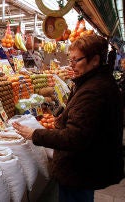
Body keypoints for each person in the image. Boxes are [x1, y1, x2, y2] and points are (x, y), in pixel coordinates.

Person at [12, 34, 124, 202]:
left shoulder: (94, 91)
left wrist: (34, 134)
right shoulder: (94, 82)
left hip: (81, 170)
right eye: (70, 60)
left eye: (76, 60)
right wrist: (63, 117)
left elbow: (74, 137)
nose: (71, 65)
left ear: (95, 60)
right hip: (87, 167)